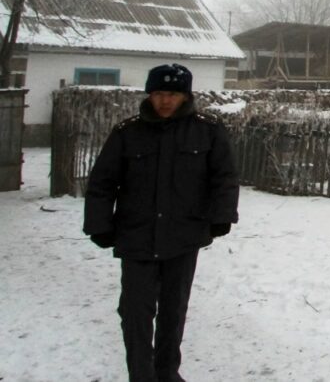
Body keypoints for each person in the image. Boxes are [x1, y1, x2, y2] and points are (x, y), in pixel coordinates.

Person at [84, 63, 239, 382]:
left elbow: (224, 177)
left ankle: (167, 373)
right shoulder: (127, 133)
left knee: (173, 312)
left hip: (184, 237)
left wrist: (222, 216)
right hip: (136, 237)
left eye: (172, 94)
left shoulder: (207, 130)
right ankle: (141, 376)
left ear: (185, 96)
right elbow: (102, 181)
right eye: (158, 94)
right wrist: (99, 223)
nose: (165, 101)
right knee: (135, 314)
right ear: (150, 95)